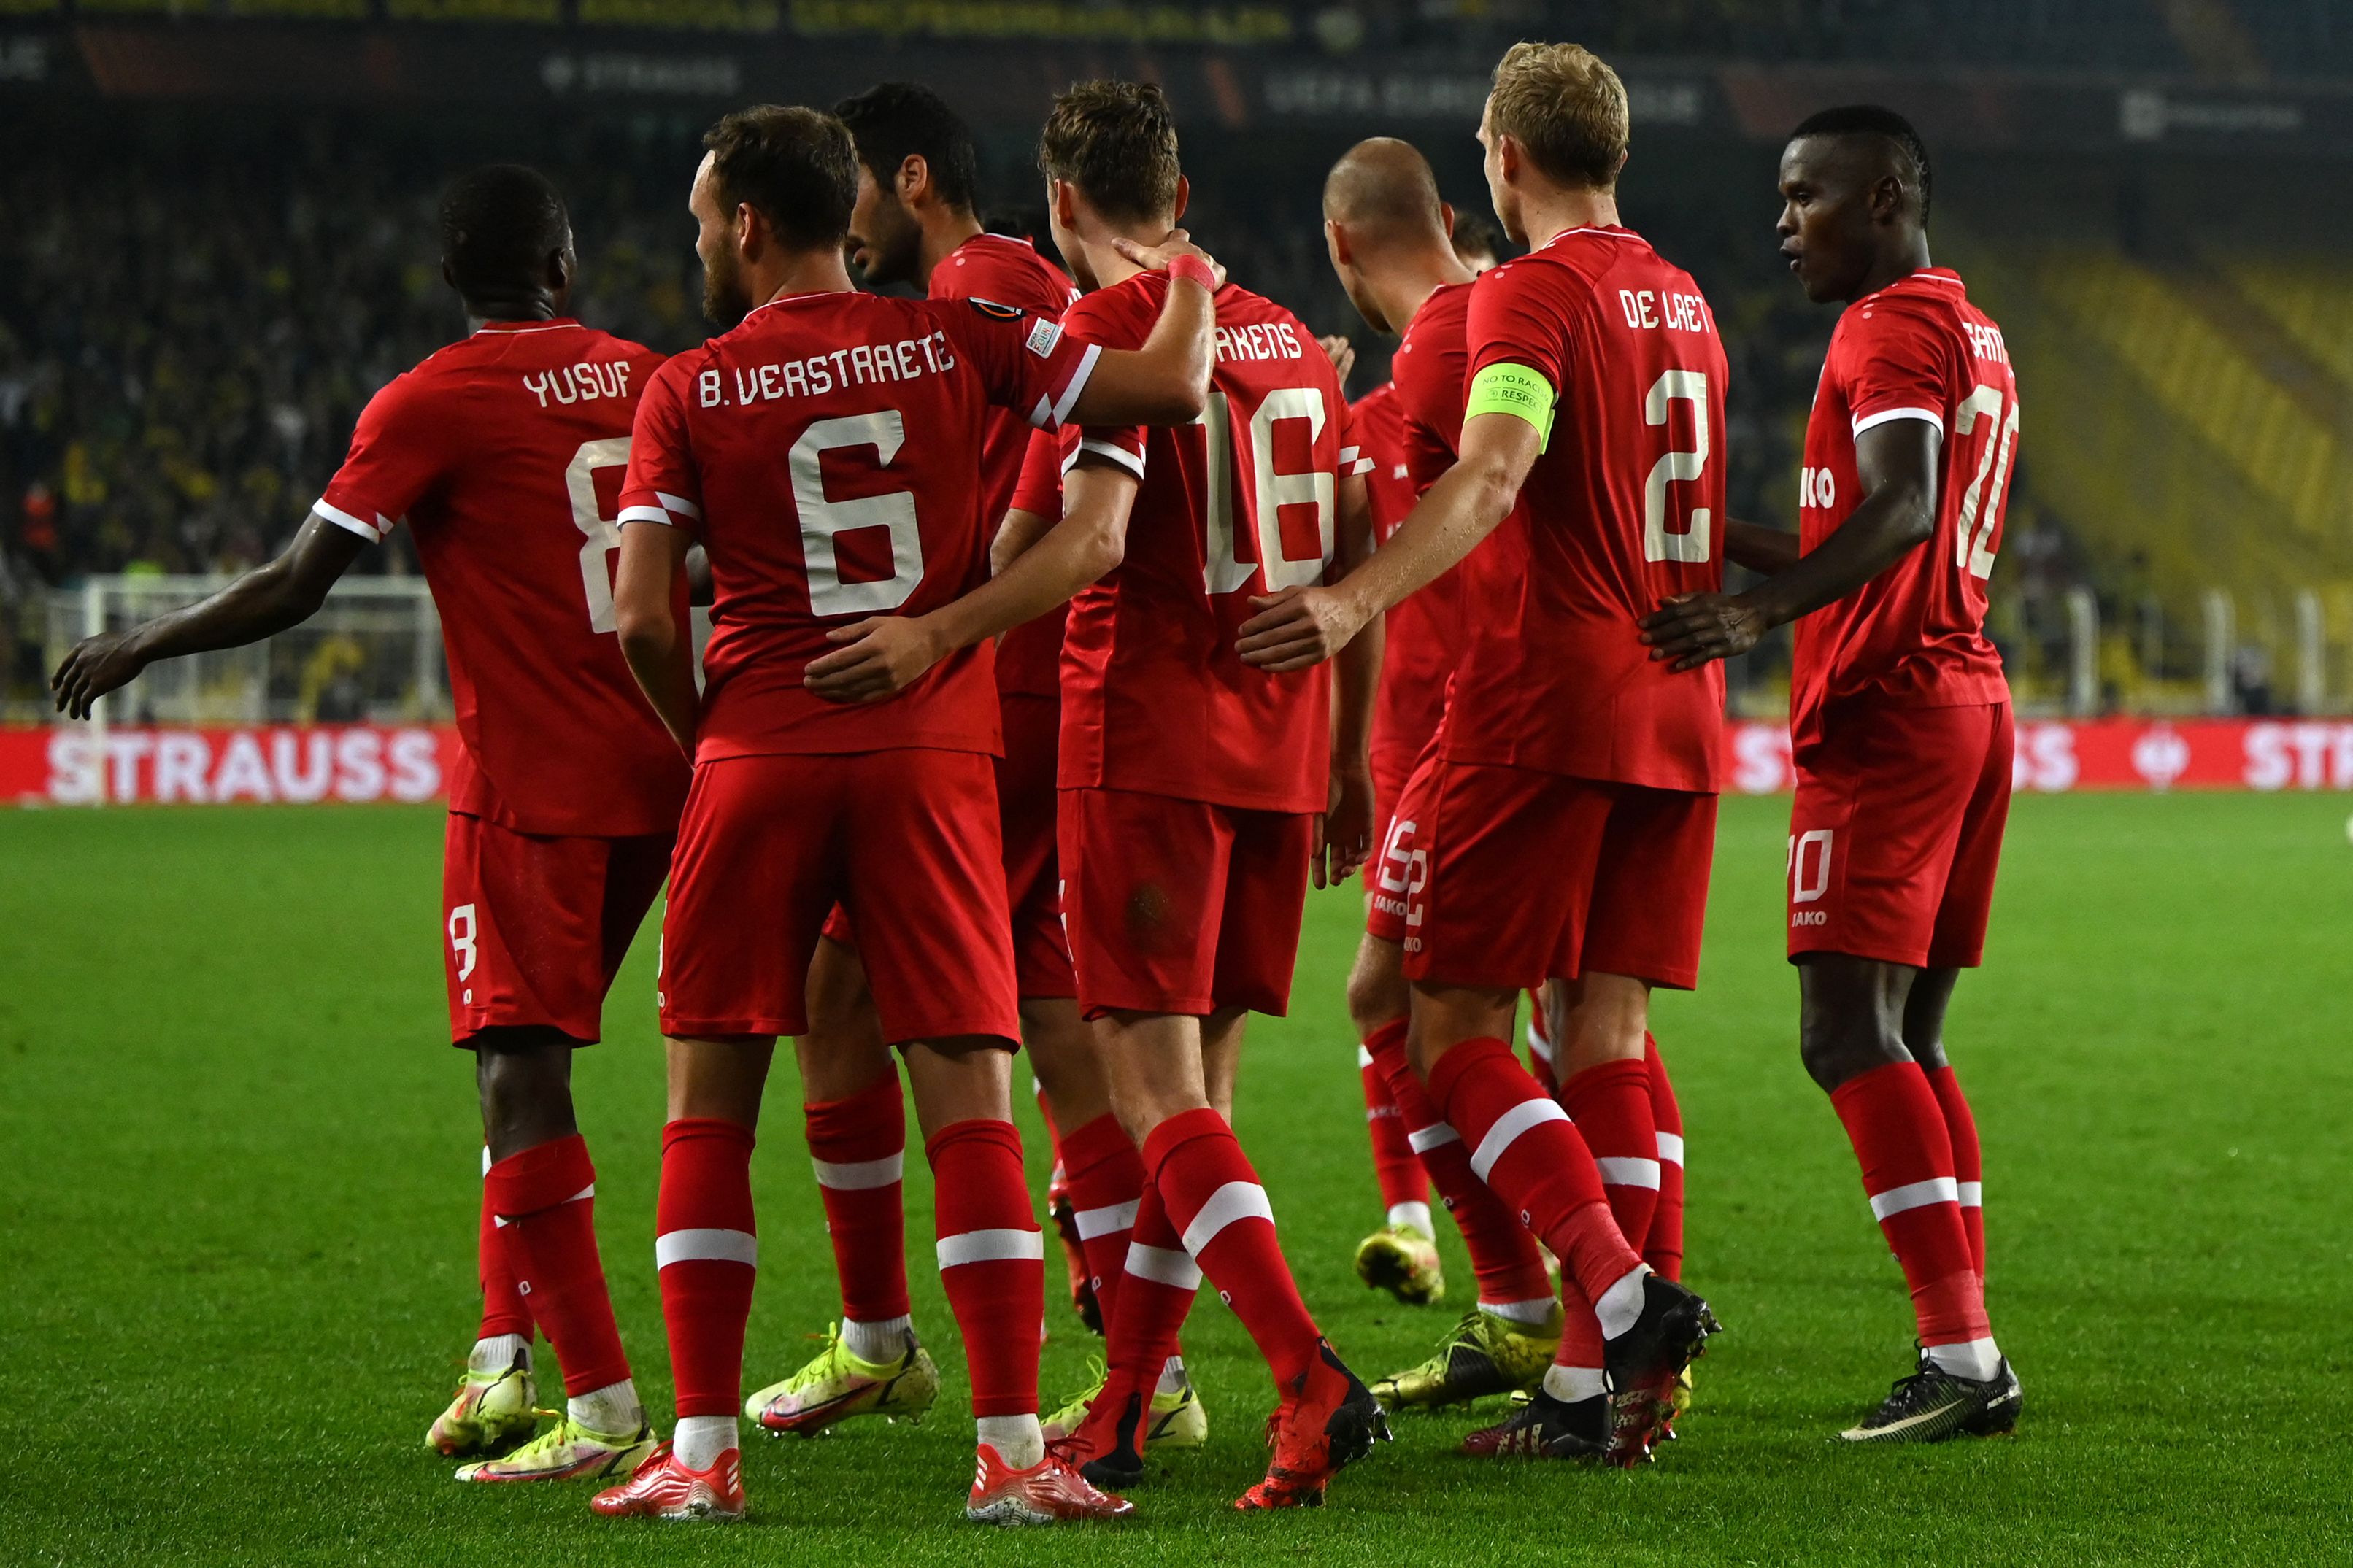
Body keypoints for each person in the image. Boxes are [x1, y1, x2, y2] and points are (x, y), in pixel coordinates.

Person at [586, 103, 1220, 1525]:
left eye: (702, 220)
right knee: (971, 1104)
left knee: (709, 1106)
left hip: (757, 747)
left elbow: (637, 615)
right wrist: (1179, 266)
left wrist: (708, 741)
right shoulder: (958, 338)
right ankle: (1009, 1448)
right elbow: (1166, 393)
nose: (698, 241)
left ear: (749, 225)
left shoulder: (685, 389)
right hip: (934, 752)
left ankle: (698, 1450)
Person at [50, 165, 685, 1486]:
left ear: (455, 279)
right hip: (665, 774)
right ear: (563, 266)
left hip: (532, 789)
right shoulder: (646, 373)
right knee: (524, 1066)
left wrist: (147, 641)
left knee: (520, 1071)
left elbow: (298, 581)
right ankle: (501, 1357)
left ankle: (604, 1402)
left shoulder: (431, 399)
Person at [1236, 42, 1723, 1465]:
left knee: (1446, 1028)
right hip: (1677, 705)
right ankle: (1591, 1389)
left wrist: (1353, 593)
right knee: (1603, 1036)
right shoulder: (1683, 296)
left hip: (1553, 699)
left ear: (1502, 160)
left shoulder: (1529, 293)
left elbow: (1499, 466)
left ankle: (1621, 1300)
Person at [1006, 80, 1389, 1511]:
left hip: (1149, 743)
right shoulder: (1293, 339)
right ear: (1180, 193)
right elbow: (1356, 539)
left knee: (1154, 1092)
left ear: (1059, 206)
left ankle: (1303, 1374)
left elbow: (1080, 542)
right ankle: (1115, 1416)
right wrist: (1350, 756)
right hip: (1279, 753)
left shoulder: (1112, 336)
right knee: (1198, 1104)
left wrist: (943, 632)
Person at [1636, 104, 2023, 1443]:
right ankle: (1967, 1337)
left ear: (1889, 194)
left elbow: (1901, 507)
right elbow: (1856, 515)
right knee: (1908, 1034)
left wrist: (1755, 615)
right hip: (1966, 698)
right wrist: (1696, 535)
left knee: (1843, 1032)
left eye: (1808, 195)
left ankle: (1962, 1356)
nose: (1784, 223)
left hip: (1890, 712)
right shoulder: (1969, 325)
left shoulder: (1890, 327)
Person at [1316, 137, 1575, 1417]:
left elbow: (1484, 500)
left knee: (1510, 1018)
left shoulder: (1467, 333)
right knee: (1505, 1014)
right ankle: (1553, 1314)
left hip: (1501, 721)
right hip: (1494, 722)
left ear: (1341, 246)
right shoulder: (1502, 322)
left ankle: (1598, 1308)